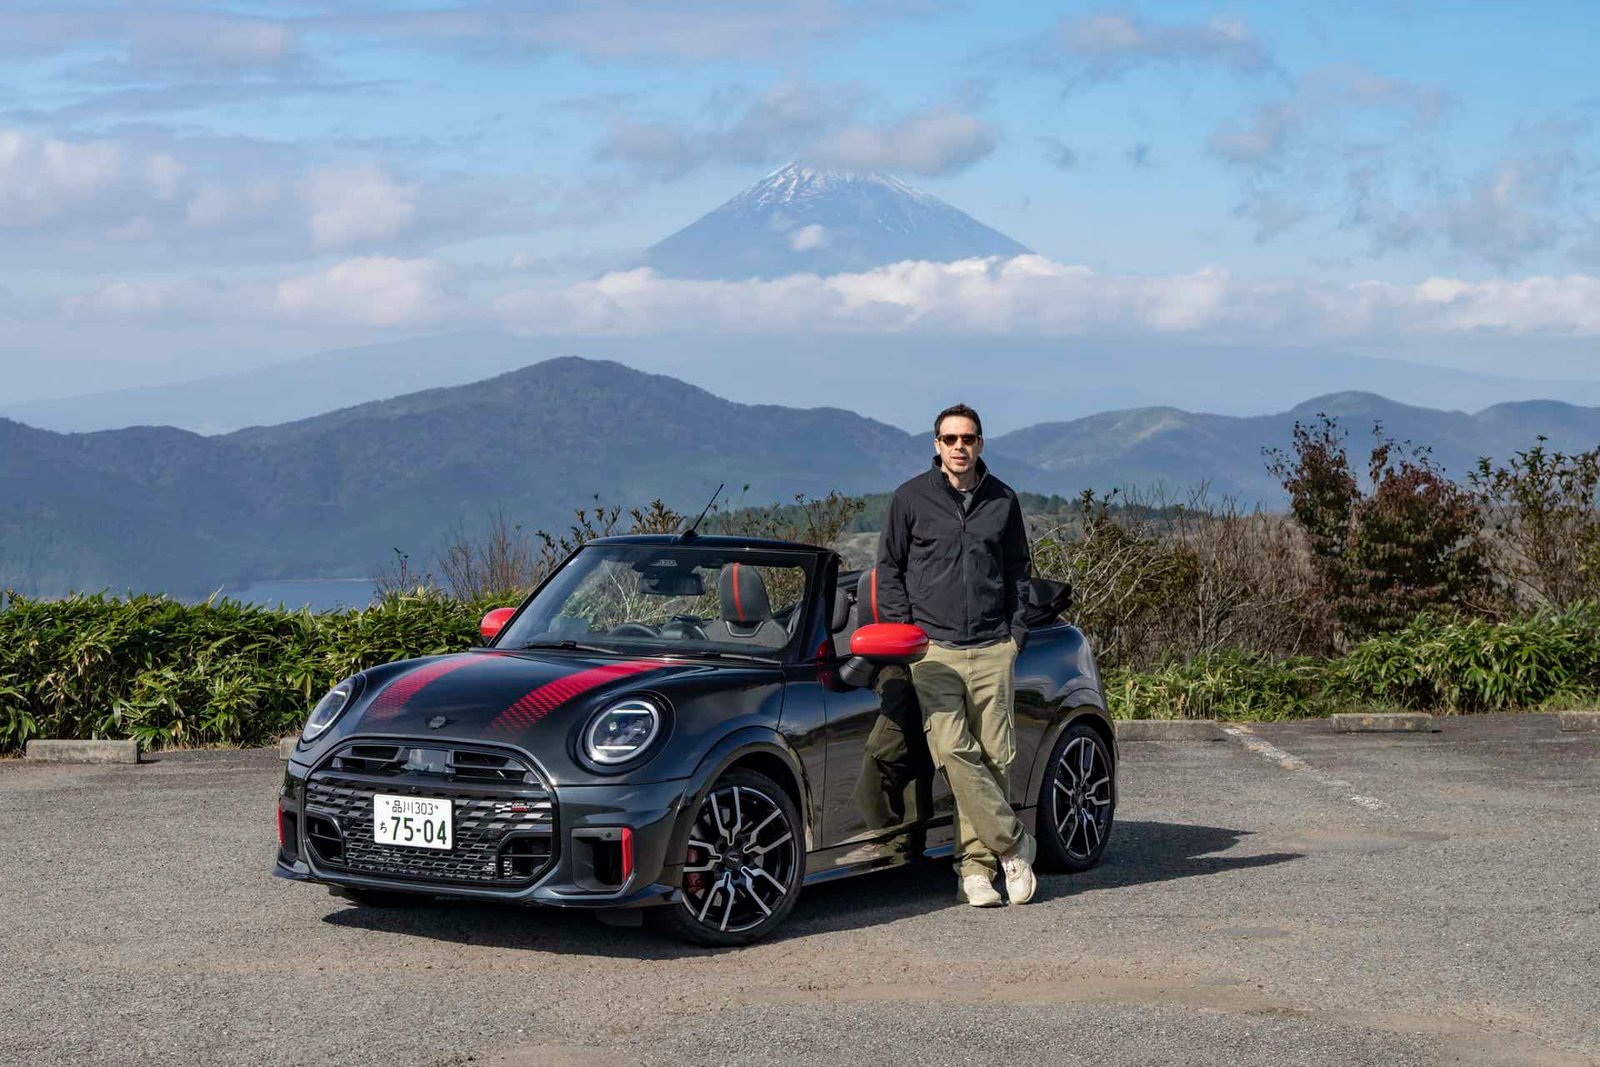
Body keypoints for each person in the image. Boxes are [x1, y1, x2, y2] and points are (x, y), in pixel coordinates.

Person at [875, 402, 1037, 907]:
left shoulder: (1002, 501)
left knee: (996, 757)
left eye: (968, 439)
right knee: (952, 750)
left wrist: (1015, 635)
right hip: (934, 651)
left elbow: (1018, 571)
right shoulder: (909, 499)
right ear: (936, 446)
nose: (959, 447)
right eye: (950, 439)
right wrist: (910, 638)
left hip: (993, 647)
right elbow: (890, 570)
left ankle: (975, 869)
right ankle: (1015, 843)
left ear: (981, 444)